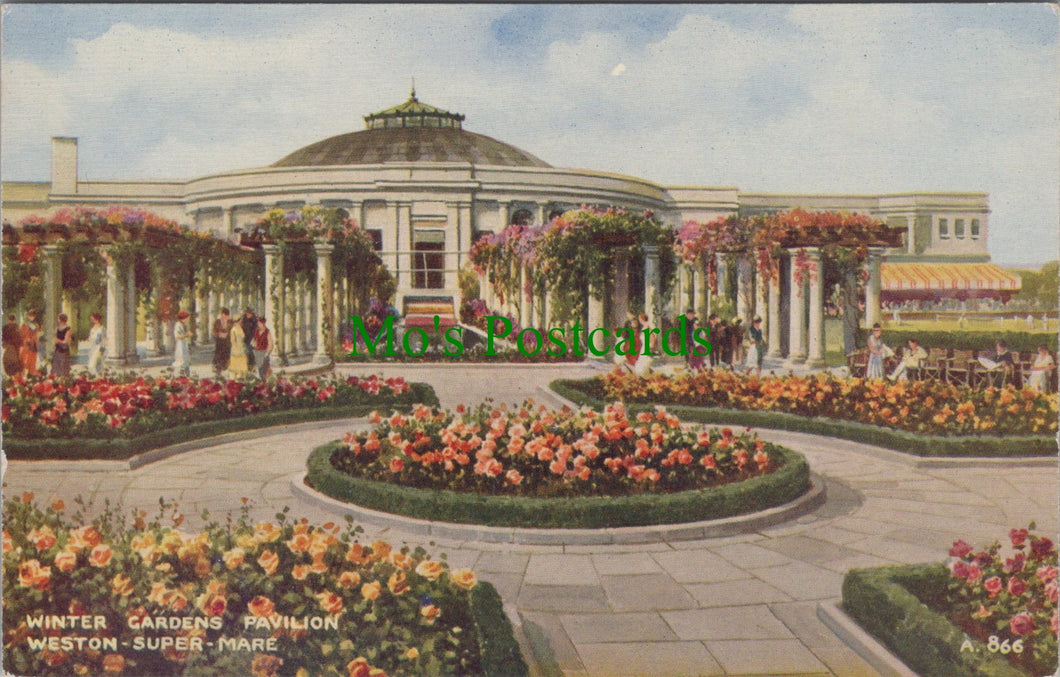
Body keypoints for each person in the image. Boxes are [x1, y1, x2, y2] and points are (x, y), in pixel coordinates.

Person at [20, 309, 41, 377]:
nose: (32, 317)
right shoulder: (24, 324)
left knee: (33, 360)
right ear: (28, 315)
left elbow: (37, 334)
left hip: (33, 344)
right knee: (25, 360)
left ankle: (31, 373)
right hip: (27, 345)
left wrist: (34, 338)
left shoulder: (36, 325)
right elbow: (22, 335)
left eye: (33, 316)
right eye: (30, 315)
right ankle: (24, 374)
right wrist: (27, 339)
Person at [213, 308, 233, 375]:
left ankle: (225, 367)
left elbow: (232, 331)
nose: (225, 317)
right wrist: (219, 334)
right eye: (223, 315)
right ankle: (218, 369)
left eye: (226, 316)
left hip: (227, 342)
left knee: (226, 356)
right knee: (218, 356)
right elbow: (214, 331)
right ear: (221, 315)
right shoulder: (217, 322)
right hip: (219, 342)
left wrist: (227, 334)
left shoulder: (230, 322)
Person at [172, 310, 191, 377]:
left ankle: (186, 375)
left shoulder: (184, 325)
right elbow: (177, 336)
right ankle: (179, 376)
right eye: (186, 318)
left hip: (184, 345)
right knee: (180, 360)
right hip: (180, 345)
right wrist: (186, 335)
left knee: (186, 361)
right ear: (183, 318)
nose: (187, 319)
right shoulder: (178, 325)